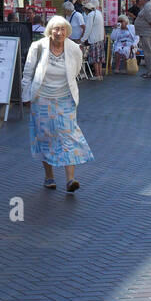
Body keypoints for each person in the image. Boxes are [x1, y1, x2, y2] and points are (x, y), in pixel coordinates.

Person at [21, 15, 94, 192]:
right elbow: (28, 73)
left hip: (65, 99)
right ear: (49, 31)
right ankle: (49, 177)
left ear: (67, 32)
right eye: (56, 29)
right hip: (41, 99)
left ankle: (70, 180)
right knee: (45, 138)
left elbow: (76, 70)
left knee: (68, 135)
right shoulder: (38, 46)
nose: (59, 33)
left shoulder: (74, 48)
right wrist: (26, 97)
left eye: (63, 29)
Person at [82, 0, 106, 80]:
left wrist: (83, 39)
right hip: (100, 38)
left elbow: (88, 29)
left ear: (86, 10)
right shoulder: (99, 13)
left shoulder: (90, 15)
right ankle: (100, 75)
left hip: (94, 39)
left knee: (95, 58)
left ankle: (97, 75)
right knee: (99, 59)